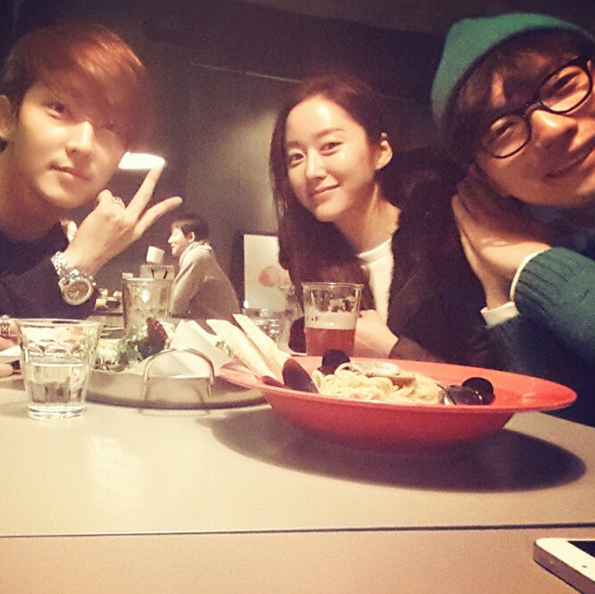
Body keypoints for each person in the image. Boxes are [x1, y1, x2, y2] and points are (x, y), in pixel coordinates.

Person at [431, 12, 595, 423]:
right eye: (502, 129)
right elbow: (574, 428)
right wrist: (500, 294)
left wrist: (534, 265)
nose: (550, 128)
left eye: (563, 86)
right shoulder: (571, 240)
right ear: (485, 178)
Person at [270, 73, 497, 365]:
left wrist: (391, 350)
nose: (311, 170)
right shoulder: (314, 261)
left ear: (381, 152)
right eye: (296, 157)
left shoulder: (447, 243)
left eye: (329, 146)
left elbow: (491, 379)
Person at [0, 21, 182, 332]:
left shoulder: (50, 244)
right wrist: (79, 260)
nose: (84, 145)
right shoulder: (66, 252)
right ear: (6, 119)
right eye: (59, 108)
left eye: (110, 126)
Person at [168, 213, 240, 321]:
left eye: (175, 235)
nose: (170, 240)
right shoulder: (202, 254)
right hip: (216, 324)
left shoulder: (197, 256)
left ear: (191, 237)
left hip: (219, 327)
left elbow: (177, 302)